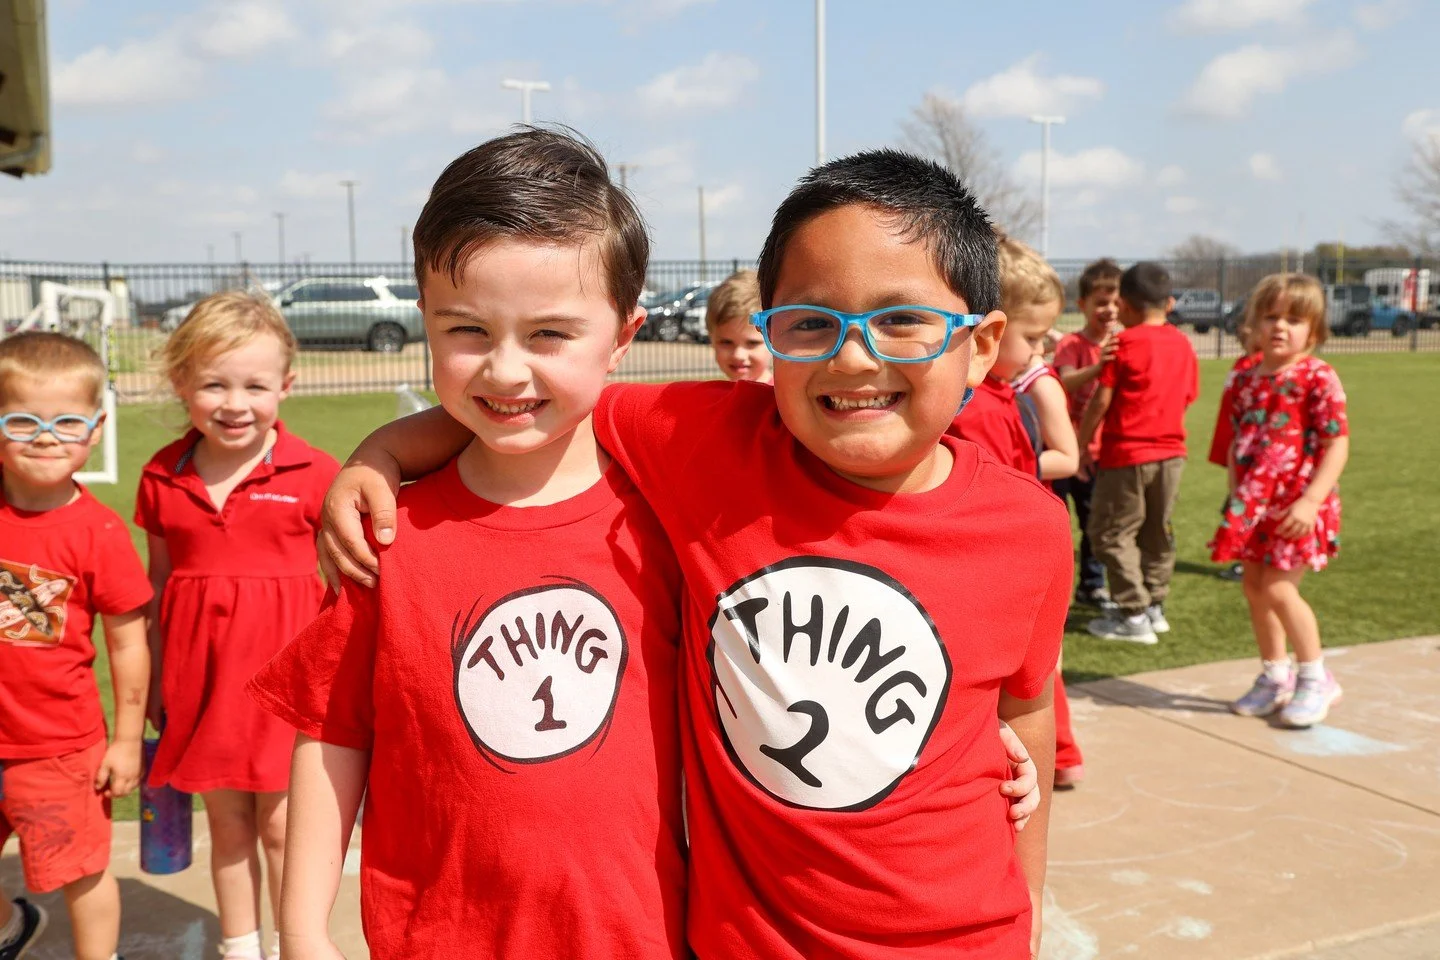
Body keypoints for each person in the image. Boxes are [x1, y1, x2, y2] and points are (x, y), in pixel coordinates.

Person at [321, 148, 1071, 959]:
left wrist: (1025, 907)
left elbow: (1022, 712)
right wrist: (383, 453)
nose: (854, 357)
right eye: (811, 324)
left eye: (901, 320)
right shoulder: (705, 442)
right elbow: (537, 395)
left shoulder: (1027, 528)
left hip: (967, 937)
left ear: (984, 343)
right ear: (769, 335)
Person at [246, 129, 690, 960]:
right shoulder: (386, 533)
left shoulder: (672, 519)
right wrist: (303, 929)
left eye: (551, 335)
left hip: (641, 936)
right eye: (468, 331)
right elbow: (334, 734)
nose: (505, 370)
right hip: (435, 937)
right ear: (423, 319)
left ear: (623, 335)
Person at [135, 294, 339, 960]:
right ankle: (238, 947)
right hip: (202, 685)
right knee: (225, 829)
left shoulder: (317, 475)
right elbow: (159, 587)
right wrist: (158, 684)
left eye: (255, 384)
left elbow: (344, 597)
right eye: (213, 383)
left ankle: (294, 948)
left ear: (286, 385)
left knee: (284, 830)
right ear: (181, 385)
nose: (235, 402)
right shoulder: (161, 475)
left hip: (286, 690)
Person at [0, 332, 153, 960]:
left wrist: (125, 739)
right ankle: (12, 928)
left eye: (66, 421)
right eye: (21, 420)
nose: (44, 436)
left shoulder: (99, 532)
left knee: (80, 870)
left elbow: (128, 645)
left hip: (58, 747)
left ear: (96, 429)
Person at [1209, 274, 1349, 728]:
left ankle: (1315, 676)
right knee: (1254, 588)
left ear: (1315, 329)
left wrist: (1310, 502)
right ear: (1254, 321)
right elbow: (1237, 441)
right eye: (1271, 316)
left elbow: (1336, 444)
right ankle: (1276, 674)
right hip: (1253, 504)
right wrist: (1235, 497)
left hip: (1297, 506)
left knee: (1279, 588)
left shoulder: (1317, 376)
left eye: (1294, 319)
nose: (1280, 327)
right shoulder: (1245, 375)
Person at [1077, 262, 1199, 645]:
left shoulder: (1124, 343)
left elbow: (1101, 400)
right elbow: (1189, 395)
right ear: (1169, 302)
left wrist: (1079, 446)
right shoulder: (1182, 342)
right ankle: (1155, 606)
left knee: (1109, 534)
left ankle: (1133, 613)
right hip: (1172, 454)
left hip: (1127, 455)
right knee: (1156, 532)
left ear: (1125, 305)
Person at [1053, 258, 1122, 609]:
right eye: (1100, 303)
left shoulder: (1124, 344)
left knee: (1095, 522)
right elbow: (1064, 380)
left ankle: (1092, 585)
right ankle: (1054, 585)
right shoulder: (1072, 344)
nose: (1109, 310)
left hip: (1099, 452)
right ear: (1082, 306)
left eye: (1114, 302)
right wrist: (1099, 366)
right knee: (1058, 524)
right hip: (1063, 448)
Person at [1208, 315, 1264, 583]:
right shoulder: (1244, 364)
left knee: (1243, 505)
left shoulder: (1259, 367)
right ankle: (1246, 557)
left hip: (1253, 457)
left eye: (1249, 326)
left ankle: (1248, 558)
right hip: (1236, 448)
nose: (1244, 330)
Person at [705, 268, 771, 382]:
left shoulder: (782, 398)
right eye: (726, 342)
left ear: (774, 339)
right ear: (712, 339)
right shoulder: (717, 397)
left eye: (752, 343)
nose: (738, 355)